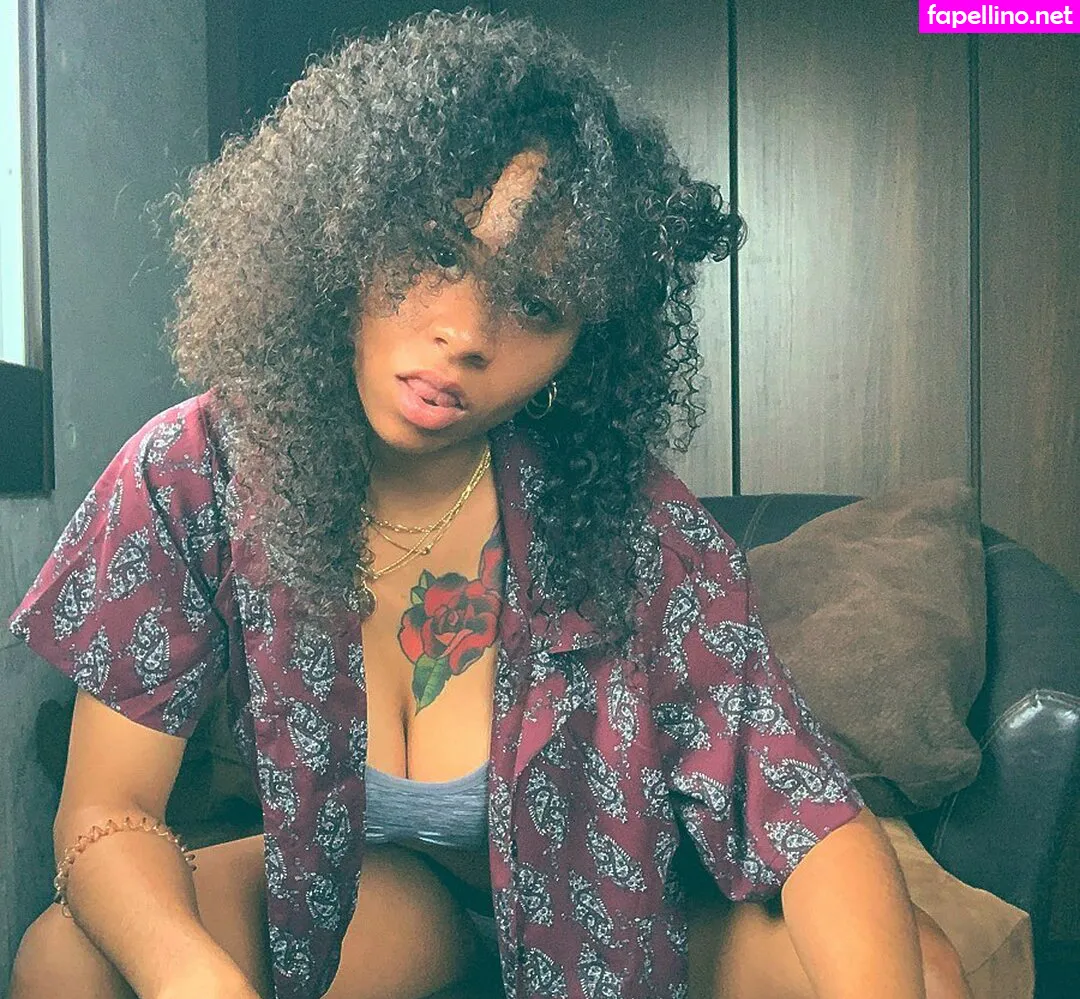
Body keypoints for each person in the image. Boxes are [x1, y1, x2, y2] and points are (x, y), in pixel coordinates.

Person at [7, 9, 974, 999]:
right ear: (349, 226)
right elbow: (104, 809)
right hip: (376, 900)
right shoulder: (195, 471)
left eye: (537, 303)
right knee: (65, 960)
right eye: (437, 252)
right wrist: (193, 983)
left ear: (583, 344)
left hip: (616, 909)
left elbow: (811, 819)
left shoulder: (630, 523)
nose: (466, 332)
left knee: (929, 977)